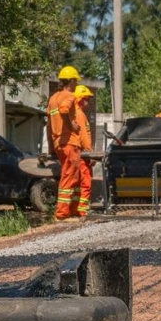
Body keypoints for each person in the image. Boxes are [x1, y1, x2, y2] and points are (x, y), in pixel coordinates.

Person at [46, 65, 83, 221]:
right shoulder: (69, 96)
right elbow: (64, 110)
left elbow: (48, 124)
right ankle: (62, 214)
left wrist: (50, 146)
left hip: (58, 143)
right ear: (72, 81)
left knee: (74, 175)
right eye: (76, 81)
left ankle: (72, 210)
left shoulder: (53, 98)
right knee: (69, 176)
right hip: (69, 143)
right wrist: (71, 126)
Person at [73, 84, 95, 217]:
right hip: (82, 154)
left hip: (76, 153)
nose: (88, 102)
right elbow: (84, 137)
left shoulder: (74, 113)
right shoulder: (80, 115)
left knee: (76, 184)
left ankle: (76, 208)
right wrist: (89, 154)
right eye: (87, 99)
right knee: (85, 182)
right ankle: (82, 209)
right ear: (81, 99)